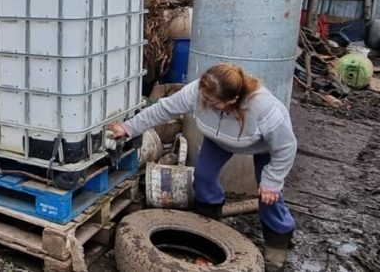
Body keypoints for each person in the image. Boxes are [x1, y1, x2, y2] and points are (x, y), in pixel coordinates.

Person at [109, 63, 297, 272]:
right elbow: (164, 108)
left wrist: (273, 181)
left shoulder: (264, 109)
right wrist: (128, 128)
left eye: (210, 101)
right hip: (219, 139)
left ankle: (278, 244)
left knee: (268, 197)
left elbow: (286, 147)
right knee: (203, 177)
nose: (202, 102)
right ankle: (209, 226)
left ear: (231, 101)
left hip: (264, 146)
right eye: (202, 96)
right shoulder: (199, 91)